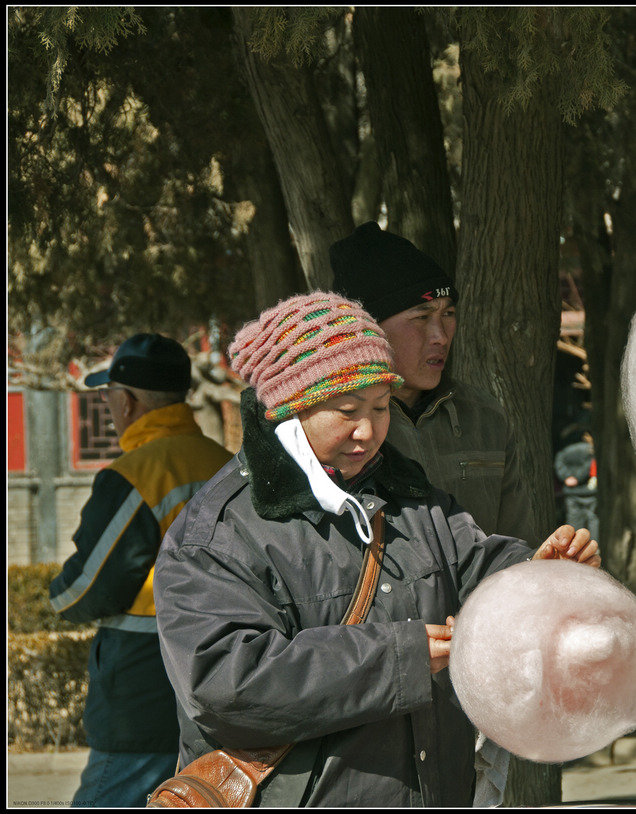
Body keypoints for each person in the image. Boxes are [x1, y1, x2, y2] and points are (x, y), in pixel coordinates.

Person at [154, 292, 601, 808]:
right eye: (347, 411)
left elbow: (474, 565)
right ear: (289, 412)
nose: (367, 431)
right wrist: (394, 658)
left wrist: (535, 577)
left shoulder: (408, 497)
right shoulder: (221, 530)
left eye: (381, 407)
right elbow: (225, 683)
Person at [49, 333, 233, 808]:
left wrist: (56, 595)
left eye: (109, 396)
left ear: (126, 401)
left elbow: (88, 587)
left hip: (143, 689)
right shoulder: (226, 465)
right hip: (222, 685)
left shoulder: (134, 473)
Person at [329, 221, 539, 546]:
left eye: (448, 313)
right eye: (421, 317)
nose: (441, 336)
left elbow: (517, 548)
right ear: (369, 328)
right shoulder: (331, 426)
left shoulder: (484, 417)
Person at [554, 429, 599, 542]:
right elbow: (587, 468)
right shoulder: (589, 451)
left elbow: (559, 459)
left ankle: (573, 550)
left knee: (575, 522)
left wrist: (566, 476)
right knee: (592, 521)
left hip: (576, 493)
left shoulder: (567, 451)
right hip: (587, 492)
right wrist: (574, 478)